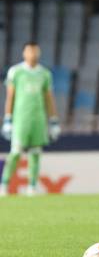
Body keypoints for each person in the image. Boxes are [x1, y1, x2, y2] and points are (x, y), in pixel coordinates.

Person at [0, 42, 61, 196]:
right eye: (30, 51)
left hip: (38, 118)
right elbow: (10, 97)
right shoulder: (16, 72)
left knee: (35, 153)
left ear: (39, 53)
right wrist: (7, 119)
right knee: (15, 153)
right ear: (24, 53)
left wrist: (53, 120)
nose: (33, 54)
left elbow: (49, 98)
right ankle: (4, 184)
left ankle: (32, 187)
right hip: (20, 118)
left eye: (35, 52)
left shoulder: (45, 74)